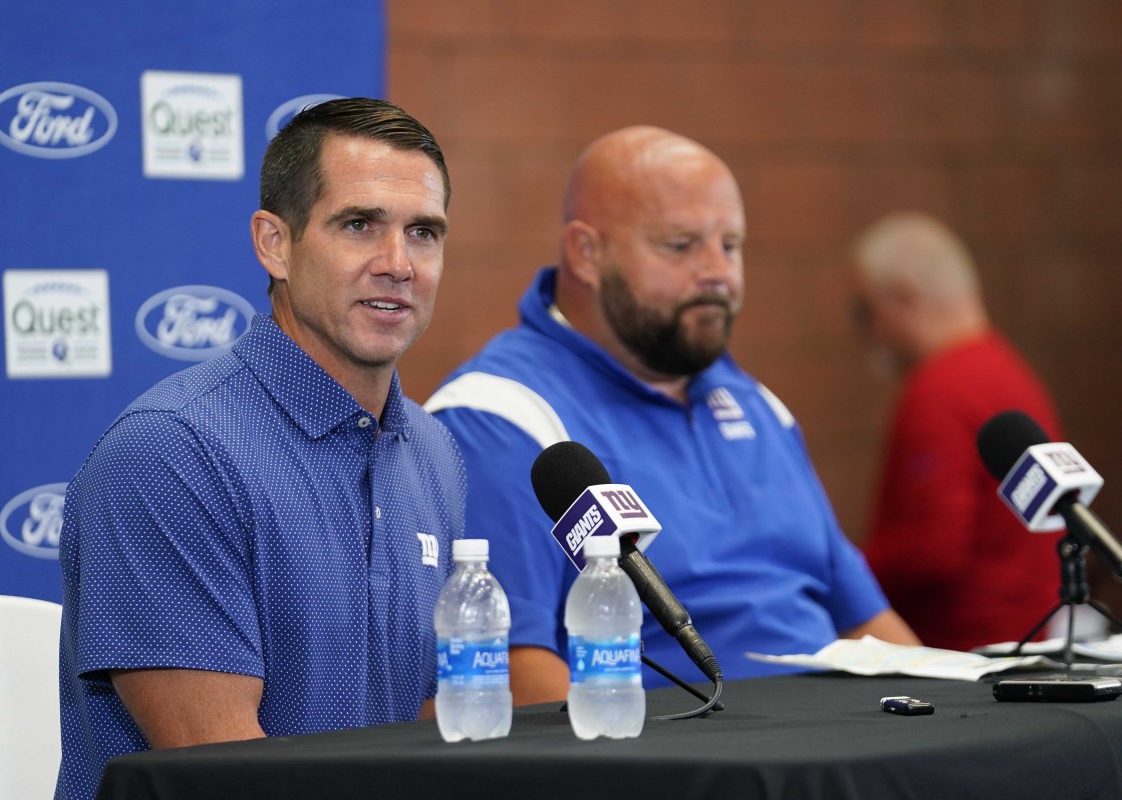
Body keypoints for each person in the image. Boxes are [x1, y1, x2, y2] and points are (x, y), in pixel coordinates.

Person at [56, 98, 464, 800]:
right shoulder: (168, 454)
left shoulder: (435, 452)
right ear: (274, 243)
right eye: (360, 225)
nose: (399, 264)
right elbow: (226, 776)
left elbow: (437, 734)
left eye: (424, 232)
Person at [425, 126, 917, 706]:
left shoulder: (756, 404)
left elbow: (866, 618)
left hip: (847, 741)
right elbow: (514, 675)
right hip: (682, 758)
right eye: (680, 245)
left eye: (730, 245)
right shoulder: (500, 417)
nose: (717, 273)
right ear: (587, 254)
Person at [850, 211, 1062, 651]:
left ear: (903, 299)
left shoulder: (939, 389)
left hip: (958, 653)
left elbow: (933, 552)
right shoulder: (1012, 371)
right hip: (1026, 637)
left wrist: (842, 572)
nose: (867, 333)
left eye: (866, 312)